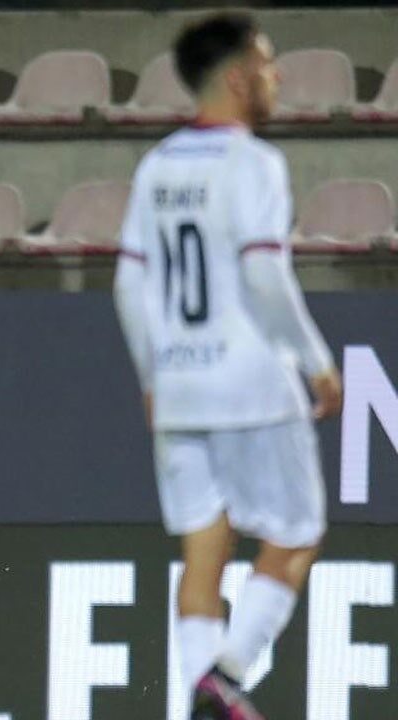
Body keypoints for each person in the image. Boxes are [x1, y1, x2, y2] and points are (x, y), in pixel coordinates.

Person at [114, 13, 343, 720]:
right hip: (250, 381)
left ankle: (199, 703)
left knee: (203, 552)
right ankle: (231, 672)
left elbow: (129, 283)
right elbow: (265, 276)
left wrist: (153, 376)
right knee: (298, 534)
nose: (277, 78)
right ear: (240, 77)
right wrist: (316, 362)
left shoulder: (157, 165)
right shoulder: (254, 164)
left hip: (180, 384)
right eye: (270, 64)